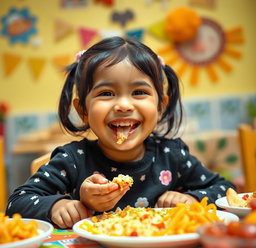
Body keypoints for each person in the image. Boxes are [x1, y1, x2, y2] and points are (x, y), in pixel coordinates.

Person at [6, 36, 235, 228]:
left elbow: (226, 189)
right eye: (106, 93)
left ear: (160, 106)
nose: (124, 105)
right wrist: (58, 205)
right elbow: (16, 202)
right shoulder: (72, 160)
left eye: (139, 92)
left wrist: (191, 198)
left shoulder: (172, 155)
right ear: (83, 110)